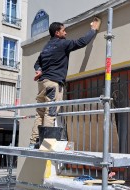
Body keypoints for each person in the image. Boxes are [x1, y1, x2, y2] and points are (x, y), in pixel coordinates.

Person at [29, 18, 101, 147]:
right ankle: (46, 144)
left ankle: (34, 141)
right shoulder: (63, 44)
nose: (66, 33)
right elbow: (82, 42)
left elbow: (37, 63)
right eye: (64, 30)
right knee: (50, 112)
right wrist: (93, 30)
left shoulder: (46, 47)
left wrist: (39, 70)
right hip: (53, 83)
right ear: (57, 32)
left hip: (42, 83)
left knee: (40, 112)